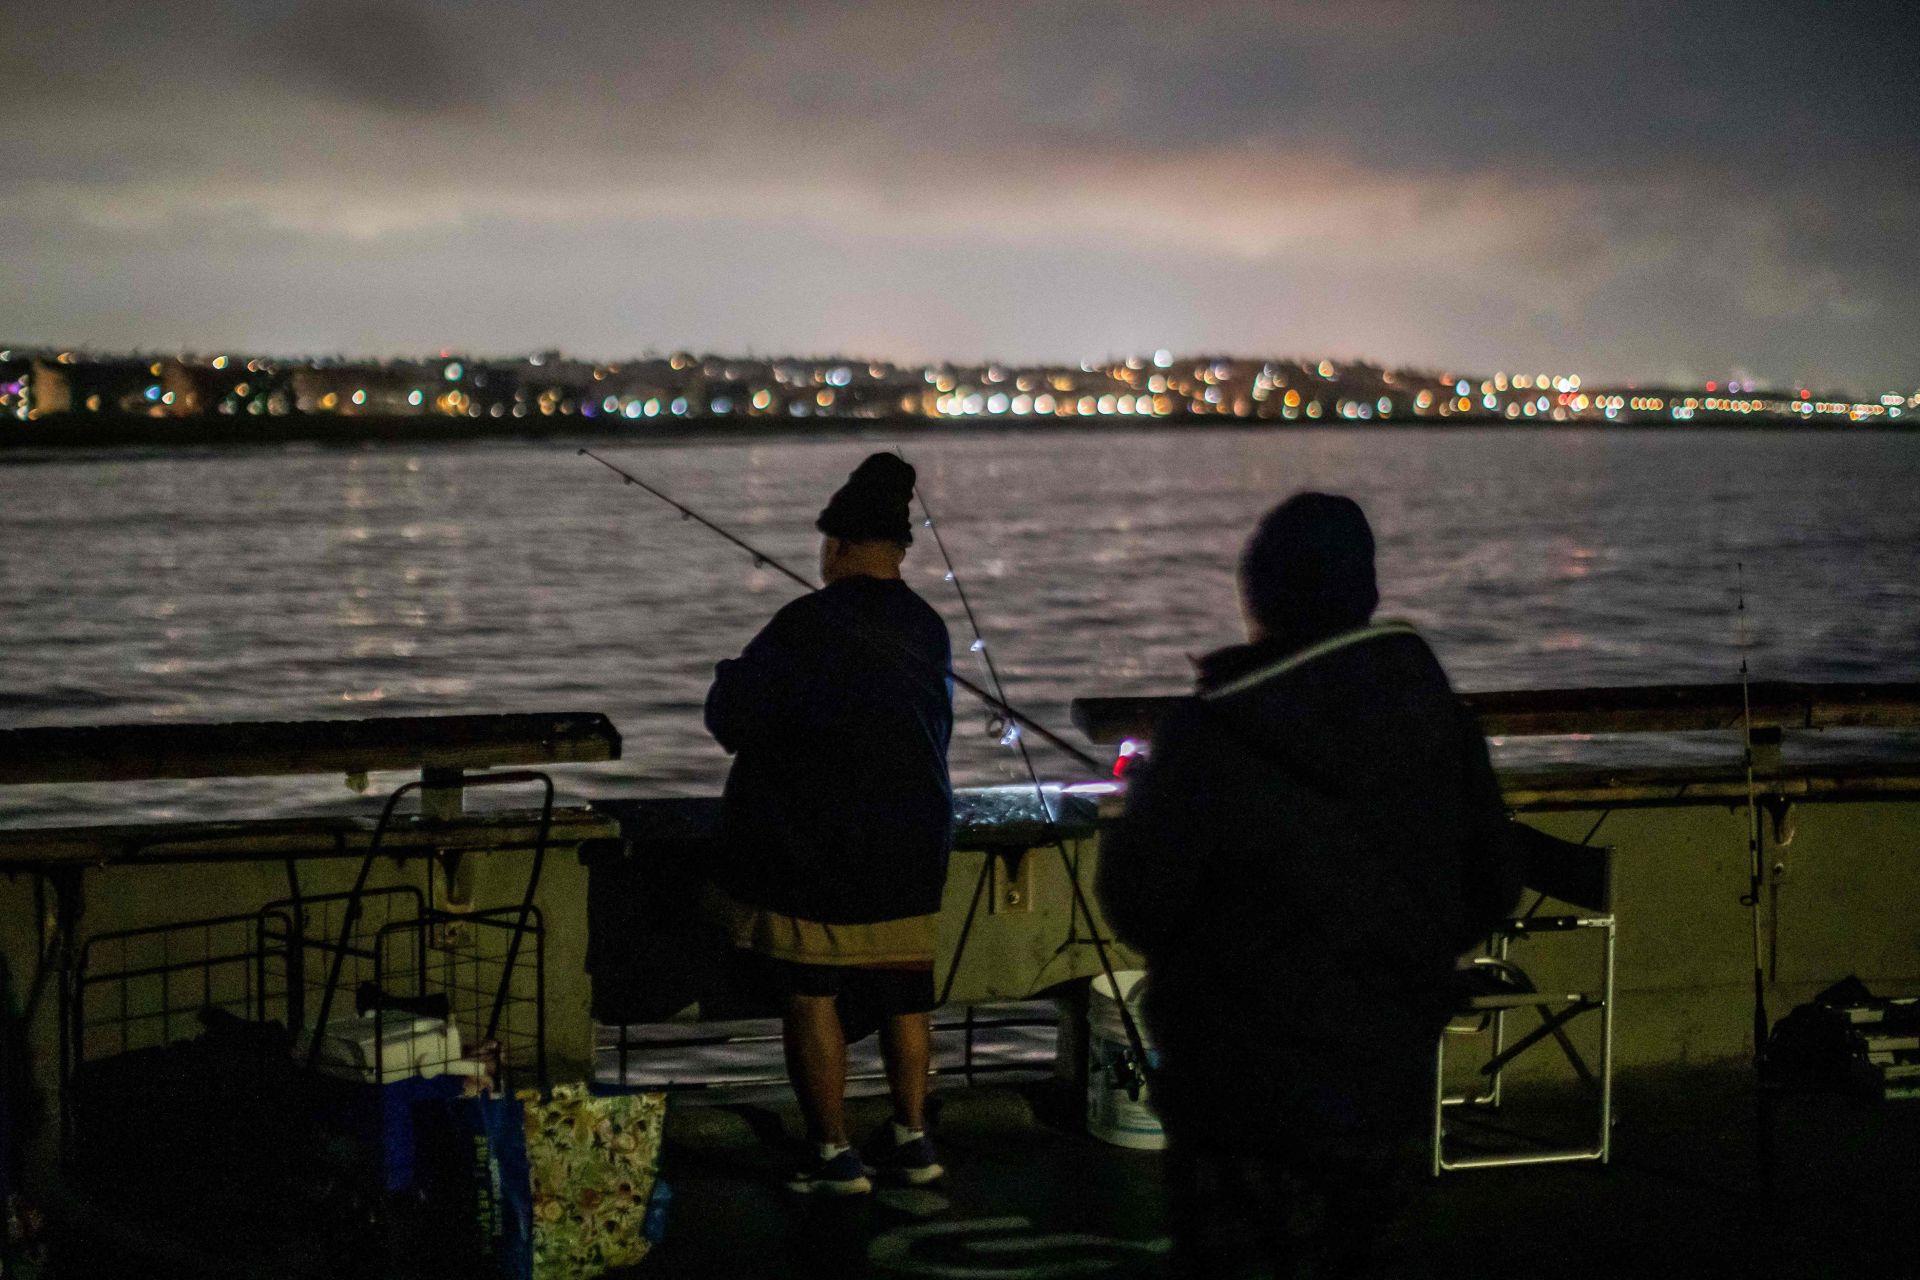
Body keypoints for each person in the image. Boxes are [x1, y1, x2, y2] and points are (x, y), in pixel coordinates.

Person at [1096, 492, 1522, 1277]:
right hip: (1385, 1077)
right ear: (1366, 597)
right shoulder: (1437, 722)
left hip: (1235, 1091)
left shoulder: (1208, 731)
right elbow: (1491, 885)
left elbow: (1139, 899)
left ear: (1253, 598)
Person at [704, 452, 955, 1196]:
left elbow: (733, 718)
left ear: (838, 547)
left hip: (820, 850)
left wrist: (726, 674)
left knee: (812, 994)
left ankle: (832, 1152)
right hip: (914, 846)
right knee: (907, 993)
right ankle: (913, 1140)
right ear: (899, 551)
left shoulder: (804, 624)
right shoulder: (931, 628)